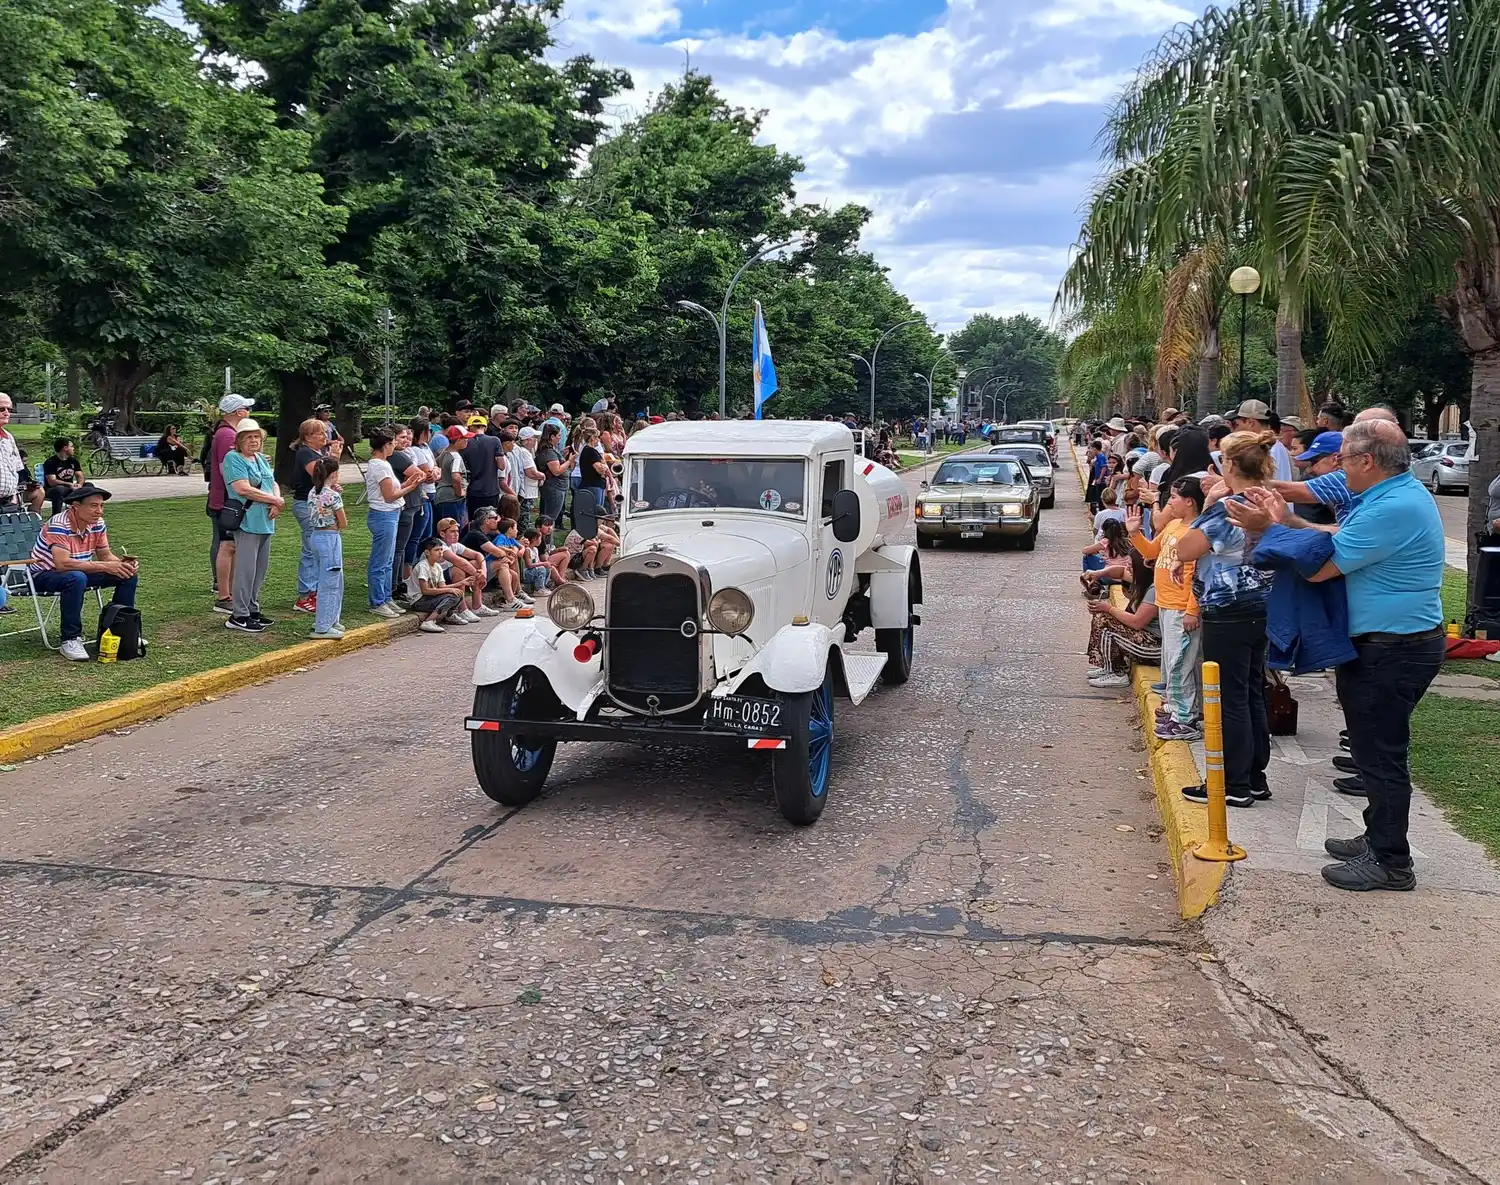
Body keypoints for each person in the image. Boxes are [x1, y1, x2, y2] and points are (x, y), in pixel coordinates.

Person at [1248, 420, 1446, 891]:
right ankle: (1378, 837)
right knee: (1371, 748)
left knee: (1379, 755)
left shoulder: (1393, 506)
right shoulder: (1387, 497)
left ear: (1366, 462)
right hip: (1389, 644)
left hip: (1393, 648)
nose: (1339, 467)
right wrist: (1291, 522)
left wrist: (1272, 527)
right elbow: (1332, 533)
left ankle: (1391, 861)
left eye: (1344, 459)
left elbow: (1320, 566)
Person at [1172, 431, 1278, 809]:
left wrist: (1208, 505)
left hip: (1227, 607)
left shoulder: (1227, 507)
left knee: (1229, 698)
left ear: (1230, 464)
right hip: (1261, 606)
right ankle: (1253, 776)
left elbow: (1186, 548)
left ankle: (1233, 781)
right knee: (1250, 691)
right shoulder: (1270, 501)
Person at [1129, 478, 1206, 741]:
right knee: (1173, 661)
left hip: (1181, 607)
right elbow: (1151, 551)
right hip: (1166, 603)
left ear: (1189, 501)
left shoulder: (1196, 532)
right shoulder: (1174, 525)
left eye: (1173, 497)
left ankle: (1185, 719)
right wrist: (1134, 533)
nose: (1168, 502)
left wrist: (1192, 610)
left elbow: (1198, 574)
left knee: (1180, 664)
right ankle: (1176, 708)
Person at [26, 484, 139, 661]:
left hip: (78, 571)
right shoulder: (59, 523)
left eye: (101, 506)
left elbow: (105, 555)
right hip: (43, 575)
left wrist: (121, 564)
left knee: (127, 574)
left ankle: (121, 632)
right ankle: (70, 639)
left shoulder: (97, 523)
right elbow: (62, 564)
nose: (99, 511)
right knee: (75, 578)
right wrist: (105, 566)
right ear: (76, 506)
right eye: (93, 506)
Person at [220, 418, 282, 633]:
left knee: (259, 570)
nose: (254, 440)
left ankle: (252, 608)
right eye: (249, 437)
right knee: (246, 570)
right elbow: (242, 489)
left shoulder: (260, 459)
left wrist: (276, 499)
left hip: (265, 520)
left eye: (257, 436)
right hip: (247, 520)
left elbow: (272, 482)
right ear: (239, 440)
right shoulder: (233, 458)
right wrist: (274, 500)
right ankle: (239, 614)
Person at [365, 428, 424, 618]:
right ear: (385, 445)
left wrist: (407, 484)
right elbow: (389, 496)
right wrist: (411, 488)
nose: (394, 447)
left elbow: (394, 489)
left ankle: (386, 597)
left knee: (389, 559)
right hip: (384, 514)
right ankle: (377, 601)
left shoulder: (383, 464)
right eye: (391, 443)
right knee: (381, 560)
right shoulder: (380, 466)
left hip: (391, 513)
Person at [290, 417, 345, 616]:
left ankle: (313, 590)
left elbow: (325, 480)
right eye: (320, 433)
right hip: (306, 505)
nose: (324, 436)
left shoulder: (317, 452)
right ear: (307, 437)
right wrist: (335, 458)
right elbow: (319, 475)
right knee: (311, 548)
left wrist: (331, 486)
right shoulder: (305, 453)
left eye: (325, 432)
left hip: (313, 504)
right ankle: (305, 595)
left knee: (315, 548)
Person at [1084, 550, 1161, 688]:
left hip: (1154, 647)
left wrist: (1108, 608)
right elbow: (1120, 572)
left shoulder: (1154, 590)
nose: (1127, 568)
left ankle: (1118, 673)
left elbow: (1137, 622)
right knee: (1102, 617)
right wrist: (1100, 573)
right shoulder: (1143, 577)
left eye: (1130, 565)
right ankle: (1110, 666)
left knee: (1105, 622)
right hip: (1145, 639)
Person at [207, 394, 254, 613]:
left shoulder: (225, 432)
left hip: (226, 498)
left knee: (230, 545)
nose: (249, 411)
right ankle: (224, 594)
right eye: (246, 408)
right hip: (227, 501)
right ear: (238, 412)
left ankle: (230, 591)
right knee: (227, 545)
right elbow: (228, 469)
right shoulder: (227, 435)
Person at [304, 456, 347, 640]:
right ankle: (323, 625)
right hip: (330, 537)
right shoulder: (333, 495)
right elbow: (343, 522)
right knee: (330, 582)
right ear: (334, 474)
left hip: (316, 536)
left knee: (333, 578)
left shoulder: (313, 492)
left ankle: (331, 619)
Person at [409, 537, 466, 633]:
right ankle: (429, 621)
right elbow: (425, 590)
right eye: (436, 550)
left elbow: (442, 587)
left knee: (458, 593)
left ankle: (449, 616)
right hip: (419, 601)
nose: (440, 553)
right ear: (427, 552)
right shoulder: (423, 566)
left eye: (441, 550)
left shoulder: (438, 566)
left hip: (429, 598)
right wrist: (449, 590)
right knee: (452, 596)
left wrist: (461, 583)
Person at [1231, 400, 1294, 481]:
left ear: (1251, 422)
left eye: (1237, 425)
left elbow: (1262, 483)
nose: (1236, 430)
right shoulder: (1273, 445)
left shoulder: (1268, 448)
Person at [463, 416, 503, 519]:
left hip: (472, 490)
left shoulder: (464, 443)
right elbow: (501, 466)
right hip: (491, 490)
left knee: (474, 520)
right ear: (485, 427)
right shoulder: (495, 441)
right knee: (492, 520)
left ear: (469, 427)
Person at [535, 422, 571, 528]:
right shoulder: (549, 452)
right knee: (550, 518)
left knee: (547, 516)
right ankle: (546, 542)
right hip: (555, 487)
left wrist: (562, 455)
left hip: (554, 486)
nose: (560, 438)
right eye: (558, 435)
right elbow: (556, 471)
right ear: (552, 436)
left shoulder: (549, 450)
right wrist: (569, 461)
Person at [434, 428, 469, 528]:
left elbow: (436, 464)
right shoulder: (456, 457)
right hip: (452, 498)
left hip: (441, 495)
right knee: (452, 528)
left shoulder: (444, 453)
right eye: (465, 439)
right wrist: (459, 492)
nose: (467, 441)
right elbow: (456, 477)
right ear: (458, 440)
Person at [41, 438, 85, 515]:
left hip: (69, 489)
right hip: (52, 490)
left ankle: (83, 513)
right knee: (59, 489)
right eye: (71, 446)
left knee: (89, 486)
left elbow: (80, 476)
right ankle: (56, 516)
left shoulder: (73, 461)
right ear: (65, 448)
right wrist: (69, 484)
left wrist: (80, 485)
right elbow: (52, 482)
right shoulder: (50, 462)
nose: (73, 449)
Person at [515, 426, 543, 530]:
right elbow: (531, 472)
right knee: (524, 518)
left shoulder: (526, 452)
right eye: (534, 438)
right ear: (528, 440)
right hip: (526, 491)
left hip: (528, 490)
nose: (536, 441)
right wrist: (543, 476)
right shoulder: (524, 452)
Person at [0, 393, 22, 510]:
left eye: (9, 409)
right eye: (1, 409)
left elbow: (16, 469)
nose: (6, 413)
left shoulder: (9, 437)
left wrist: (14, 494)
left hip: (9, 503)